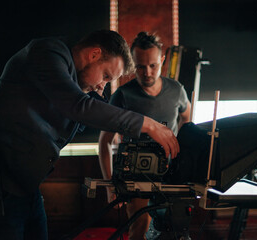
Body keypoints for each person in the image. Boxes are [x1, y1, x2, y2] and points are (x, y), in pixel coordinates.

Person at [0, 30, 180, 240]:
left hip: (26, 191)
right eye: (105, 76)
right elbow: (79, 107)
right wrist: (147, 124)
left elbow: (84, 111)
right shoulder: (46, 53)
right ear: (94, 54)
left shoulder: (73, 83)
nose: (101, 87)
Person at [98, 31, 191, 240]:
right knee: (139, 230)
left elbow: (188, 120)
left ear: (162, 61)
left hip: (171, 174)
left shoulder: (177, 91)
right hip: (135, 177)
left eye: (153, 65)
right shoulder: (122, 95)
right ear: (132, 63)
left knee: (173, 231)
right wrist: (110, 184)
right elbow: (104, 141)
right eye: (140, 66)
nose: (147, 72)